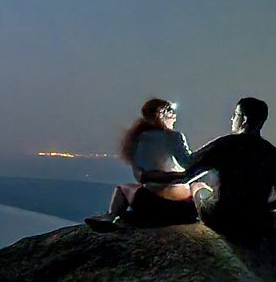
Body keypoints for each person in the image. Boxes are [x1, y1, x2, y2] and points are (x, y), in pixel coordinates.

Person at [141, 97, 276, 241]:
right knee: (274, 214)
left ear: (244, 120)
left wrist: (153, 176)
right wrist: (257, 209)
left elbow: (188, 172)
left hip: (221, 218)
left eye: (236, 115)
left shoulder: (224, 145)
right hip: (258, 223)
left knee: (197, 185)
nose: (232, 119)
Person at [84, 98, 206, 231]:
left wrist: (158, 176)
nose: (175, 117)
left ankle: (111, 216)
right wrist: (208, 154)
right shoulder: (174, 137)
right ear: (161, 114)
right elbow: (188, 163)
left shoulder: (135, 140)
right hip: (183, 208)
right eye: (171, 112)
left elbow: (140, 177)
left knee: (122, 188)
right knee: (199, 185)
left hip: (148, 205)